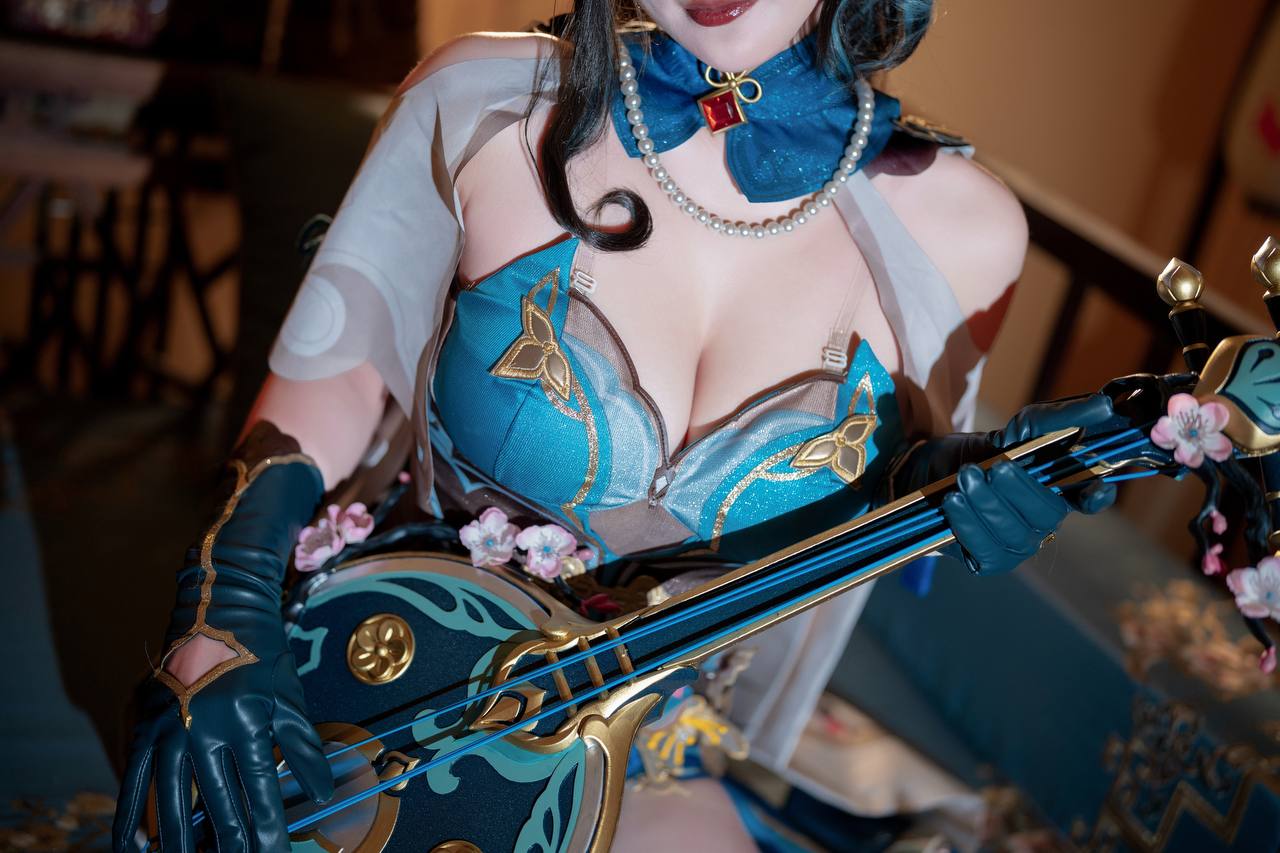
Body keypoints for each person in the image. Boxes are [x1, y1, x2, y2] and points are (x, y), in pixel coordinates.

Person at [113, 1, 1118, 850]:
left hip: (650, 756)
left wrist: (952, 493)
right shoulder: (481, 102)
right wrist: (221, 610)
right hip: (387, 683)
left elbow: (884, 492)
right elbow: (334, 377)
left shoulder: (965, 233)